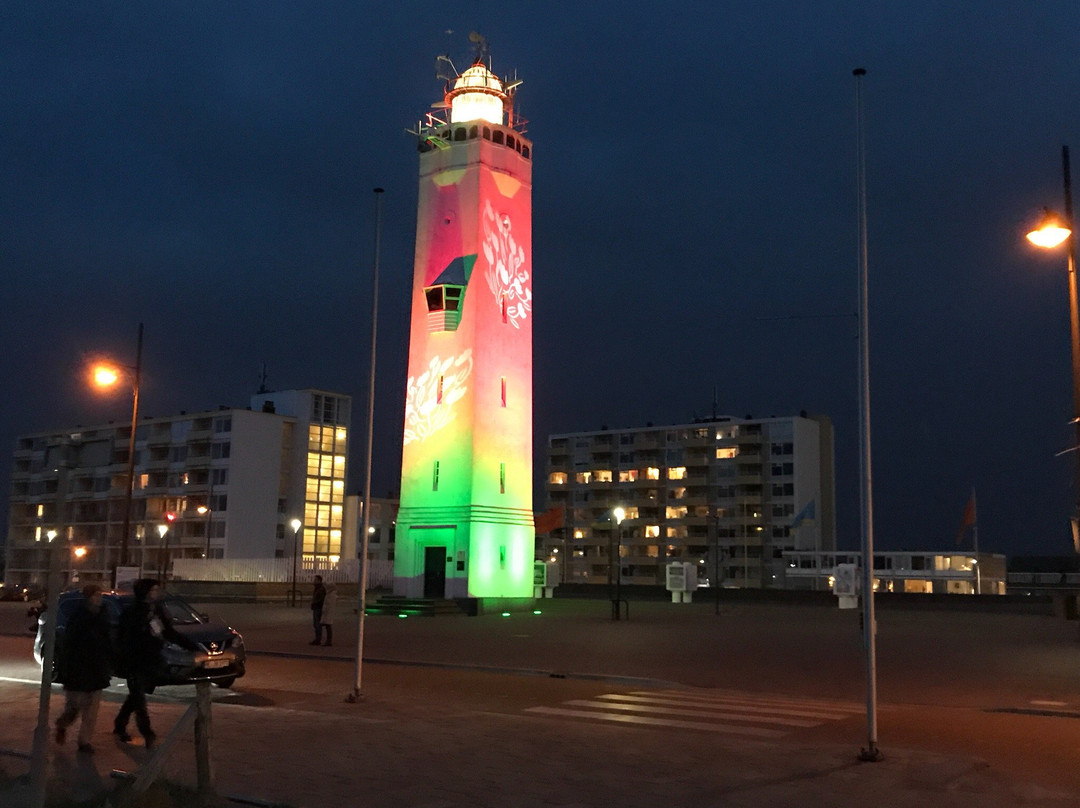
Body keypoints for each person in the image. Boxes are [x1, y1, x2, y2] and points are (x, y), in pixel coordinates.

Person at [113, 578, 198, 748]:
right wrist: (125, 659)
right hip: (135, 661)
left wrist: (190, 646)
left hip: (151, 660)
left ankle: (119, 724)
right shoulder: (133, 612)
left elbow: (169, 632)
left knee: (136, 695)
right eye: (153, 590)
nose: (156, 593)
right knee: (139, 697)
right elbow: (123, 639)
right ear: (144, 592)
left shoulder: (156, 610)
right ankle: (147, 732)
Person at [54, 584, 113, 754]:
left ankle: (84, 741)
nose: (99, 598)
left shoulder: (103, 616)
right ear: (88, 598)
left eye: (100, 595)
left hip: (96, 671)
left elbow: (107, 642)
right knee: (73, 708)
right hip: (78, 670)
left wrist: (108, 663)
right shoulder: (79, 617)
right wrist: (66, 670)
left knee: (91, 711)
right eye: (95, 595)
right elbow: (69, 645)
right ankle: (62, 724)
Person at [309, 575, 326, 645]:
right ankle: (317, 639)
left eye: (315, 580)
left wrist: (315, 603)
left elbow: (320, 599)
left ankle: (318, 639)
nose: (314, 581)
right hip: (316, 607)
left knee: (317, 624)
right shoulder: (318, 588)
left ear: (319, 581)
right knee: (316, 624)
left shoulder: (321, 589)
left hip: (318, 608)